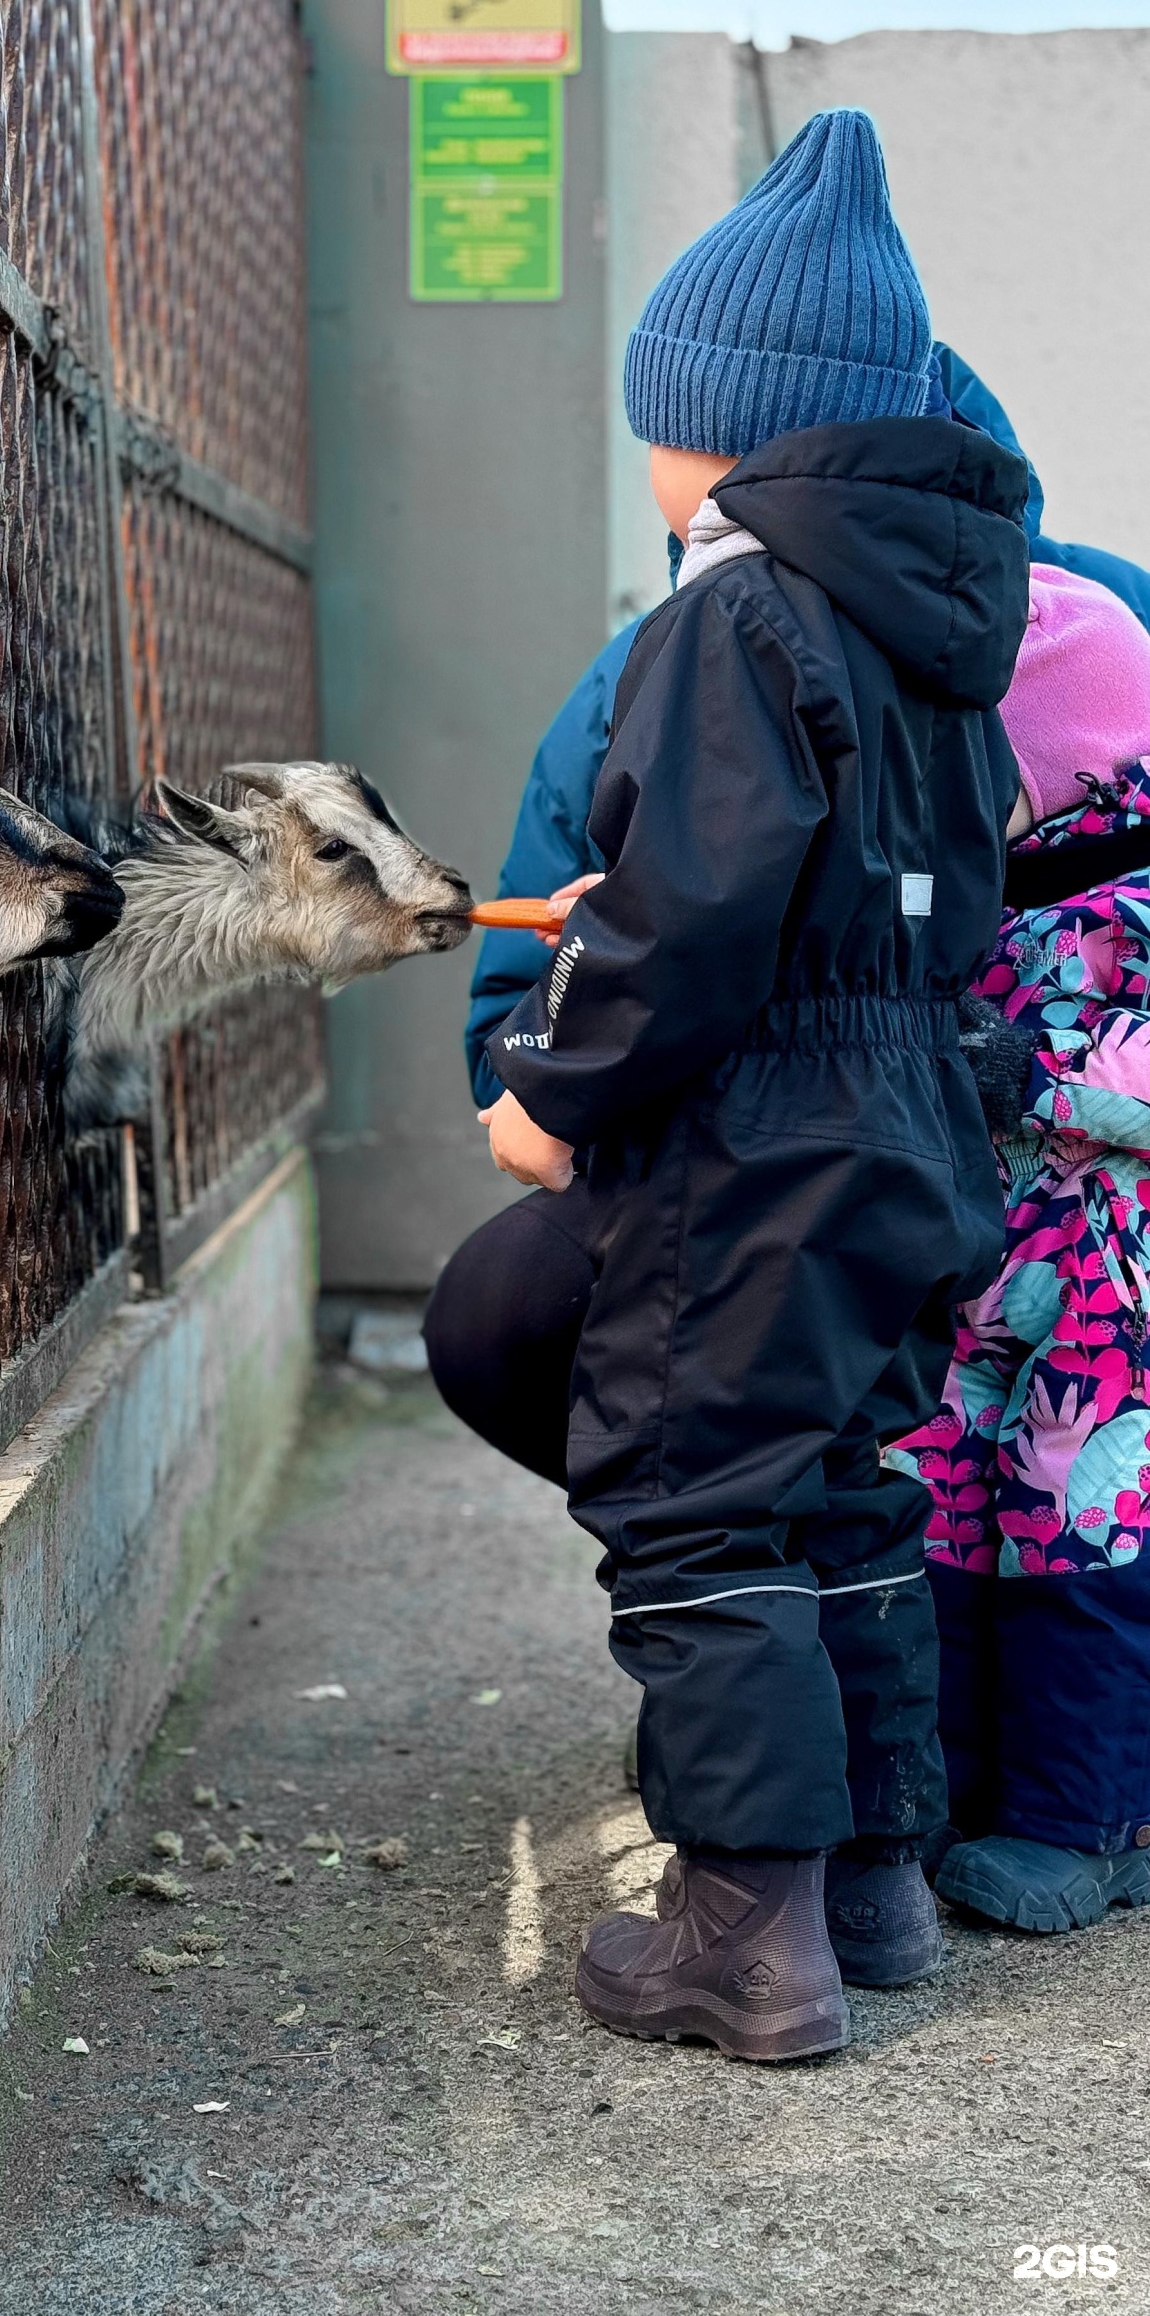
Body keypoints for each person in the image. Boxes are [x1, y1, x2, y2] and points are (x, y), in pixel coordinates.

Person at [458, 106, 1028, 2061]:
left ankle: (743, 1935)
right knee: (844, 1490)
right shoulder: (941, 638)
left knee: (697, 1506)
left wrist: (554, 1086)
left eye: (662, 425)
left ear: (724, 424)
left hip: (758, 1136)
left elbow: (678, 921)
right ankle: (872, 1886)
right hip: (921, 1127)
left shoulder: (730, 613)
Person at [429, 360, 1150, 1493]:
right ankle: (756, 1549)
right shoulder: (673, 663)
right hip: (779, 1154)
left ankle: (759, 1569)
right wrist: (619, 962)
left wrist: (1033, 1067)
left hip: (1081, 1185)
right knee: (514, 1315)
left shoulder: (1102, 632)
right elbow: (515, 1039)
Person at [891, 566, 1150, 1935]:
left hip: (1113, 1309)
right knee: (945, 1509)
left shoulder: (1137, 903)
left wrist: (1037, 1076)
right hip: (980, 1275)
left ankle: (1083, 1820)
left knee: (1073, 1529)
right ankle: (956, 1785)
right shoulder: (966, 889)